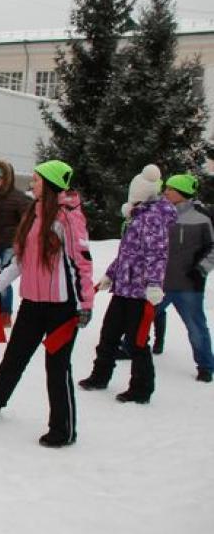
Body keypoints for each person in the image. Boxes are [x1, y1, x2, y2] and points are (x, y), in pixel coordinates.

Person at [0, 160, 94, 448]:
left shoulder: (69, 219)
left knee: (57, 367)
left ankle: (63, 429)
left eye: (36, 180)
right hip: (33, 304)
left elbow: (82, 264)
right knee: (14, 357)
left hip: (63, 307)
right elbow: (19, 262)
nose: (31, 184)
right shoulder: (34, 215)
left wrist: (85, 304)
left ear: (49, 185)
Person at [79, 165, 178, 403]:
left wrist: (154, 284)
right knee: (109, 334)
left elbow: (157, 254)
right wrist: (111, 274)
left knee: (136, 341)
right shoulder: (137, 216)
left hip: (140, 292)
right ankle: (100, 375)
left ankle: (141, 388)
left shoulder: (153, 218)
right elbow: (127, 253)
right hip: (123, 287)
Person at [151, 174, 214, 382]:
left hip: (189, 285)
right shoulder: (158, 212)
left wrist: (201, 270)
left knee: (196, 326)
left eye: (171, 189)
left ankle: (205, 366)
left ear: (183, 193)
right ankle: (128, 346)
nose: (166, 192)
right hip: (159, 282)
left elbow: (213, 248)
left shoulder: (203, 217)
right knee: (141, 317)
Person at [0, 160, 31, 327]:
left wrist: (20, 237)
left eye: (0, 178)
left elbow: (29, 218)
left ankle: (5, 313)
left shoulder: (18, 198)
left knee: (4, 277)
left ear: (8, 178)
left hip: (9, 244)